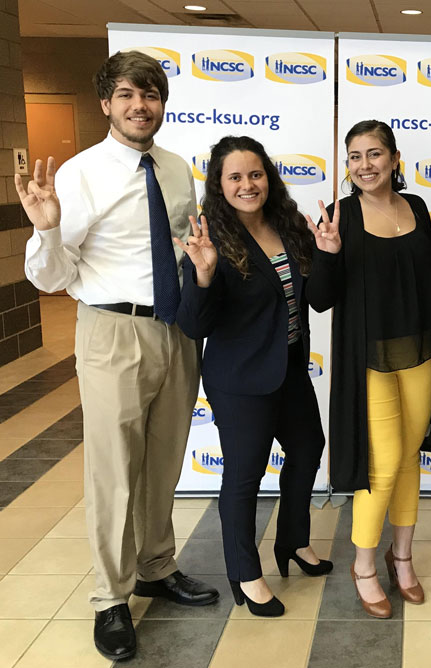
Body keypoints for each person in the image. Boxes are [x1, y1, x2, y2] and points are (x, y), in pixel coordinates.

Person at [17, 51, 218, 661]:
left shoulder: (178, 168)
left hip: (175, 332)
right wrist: (47, 230)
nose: (141, 106)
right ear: (106, 102)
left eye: (152, 94)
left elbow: (185, 246)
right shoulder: (78, 175)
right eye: (129, 94)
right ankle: (110, 597)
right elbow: (51, 278)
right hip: (112, 332)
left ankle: (157, 565)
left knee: (163, 460)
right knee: (112, 471)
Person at [175, 136, 331, 618]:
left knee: (308, 449)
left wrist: (327, 253)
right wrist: (202, 276)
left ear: (269, 177)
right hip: (240, 379)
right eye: (236, 177)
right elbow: (194, 325)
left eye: (256, 174)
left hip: (288, 367)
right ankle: (245, 572)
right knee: (243, 478)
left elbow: (320, 299)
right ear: (219, 186)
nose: (248, 184)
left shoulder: (290, 226)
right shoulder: (209, 239)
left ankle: (292, 541)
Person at [306, 120, 431, 619]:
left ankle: (401, 556)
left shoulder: (419, 207)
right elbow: (320, 300)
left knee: (409, 457)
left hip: (422, 354)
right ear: (347, 165)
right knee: (381, 466)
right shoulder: (343, 215)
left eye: (375, 154)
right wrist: (328, 254)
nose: (365, 165)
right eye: (355, 156)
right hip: (371, 361)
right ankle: (364, 564)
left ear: (395, 158)